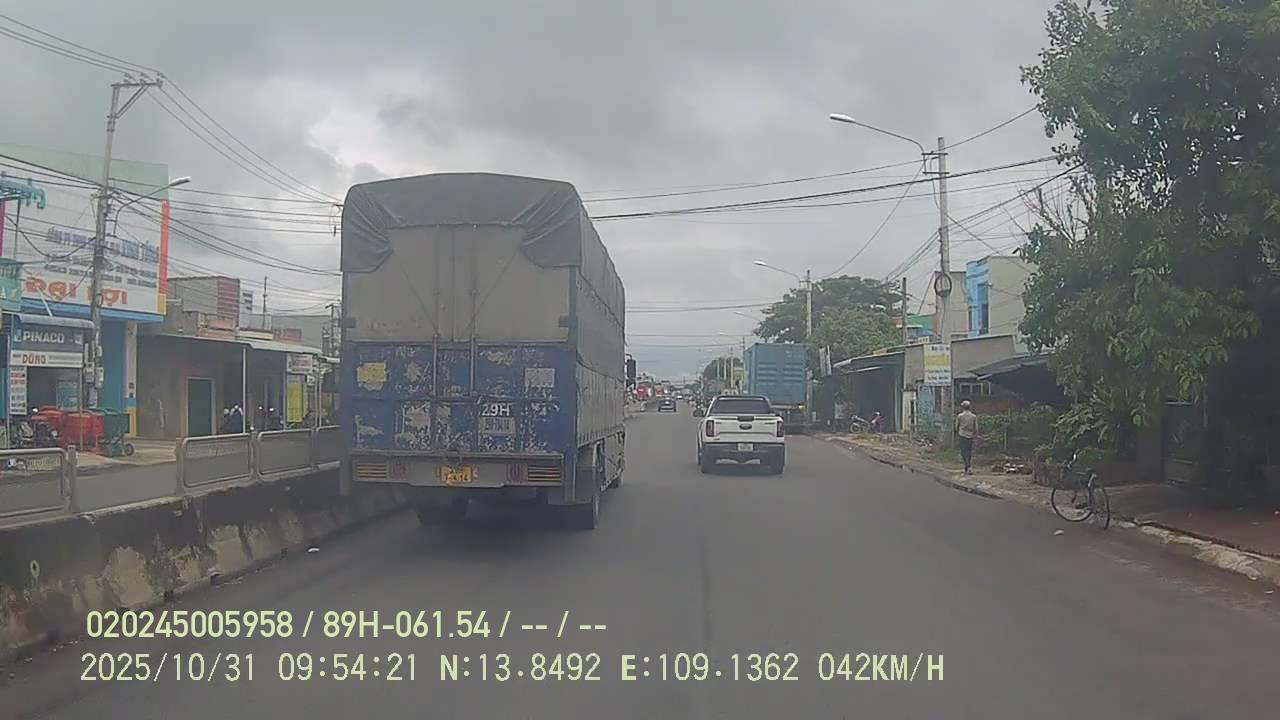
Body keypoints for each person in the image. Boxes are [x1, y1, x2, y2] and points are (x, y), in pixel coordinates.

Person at [955, 400, 978, 474]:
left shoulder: (960, 416)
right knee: (969, 451)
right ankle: (968, 466)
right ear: (969, 407)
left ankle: (967, 466)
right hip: (970, 436)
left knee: (963, 452)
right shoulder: (973, 416)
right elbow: (976, 427)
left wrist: (956, 434)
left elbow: (956, 426)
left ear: (963, 407)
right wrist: (975, 435)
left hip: (962, 435)